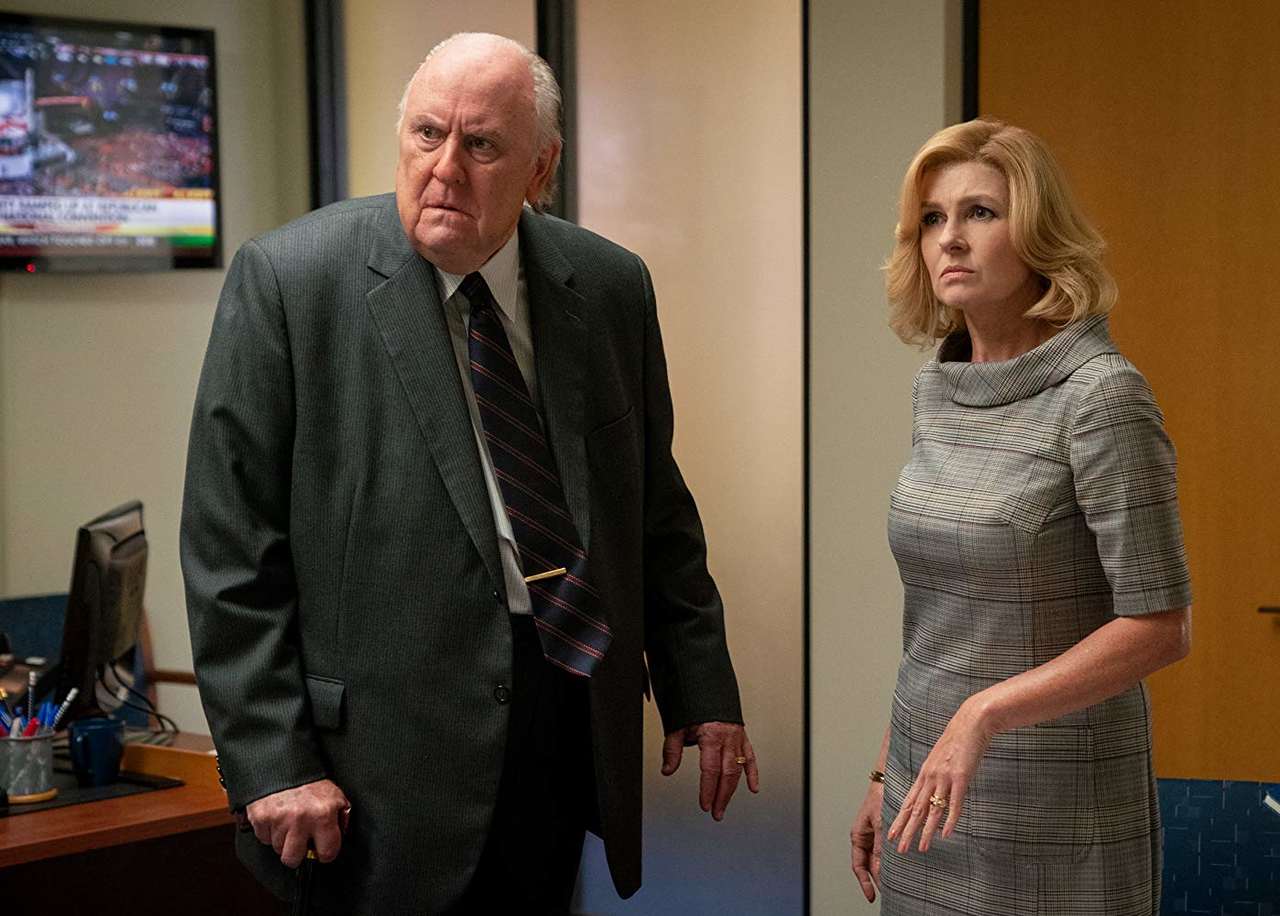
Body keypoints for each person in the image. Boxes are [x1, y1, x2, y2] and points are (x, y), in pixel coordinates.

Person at [181, 32, 758, 915]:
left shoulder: (607, 286)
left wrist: (699, 684)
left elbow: (653, 509)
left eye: (481, 144)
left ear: (540, 167)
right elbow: (230, 549)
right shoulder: (291, 281)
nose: (444, 168)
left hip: (558, 716)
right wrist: (272, 759)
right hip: (369, 758)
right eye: (426, 134)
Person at [849, 119, 1192, 915]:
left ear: (1039, 234)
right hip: (926, 790)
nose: (950, 239)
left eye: (981, 213)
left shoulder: (1102, 396)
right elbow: (939, 620)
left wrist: (983, 713)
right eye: (932, 218)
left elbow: (1161, 626)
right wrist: (884, 770)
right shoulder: (938, 389)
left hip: (1054, 803)